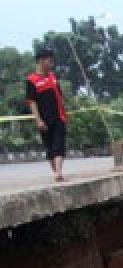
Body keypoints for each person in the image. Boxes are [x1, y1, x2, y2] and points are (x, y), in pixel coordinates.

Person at [25, 48, 68, 182]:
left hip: (59, 117)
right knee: (49, 147)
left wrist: (64, 114)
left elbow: (60, 97)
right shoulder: (32, 80)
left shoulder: (53, 77)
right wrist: (38, 120)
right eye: (49, 61)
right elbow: (32, 102)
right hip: (44, 119)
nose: (51, 64)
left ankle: (59, 172)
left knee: (59, 145)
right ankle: (56, 172)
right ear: (41, 61)